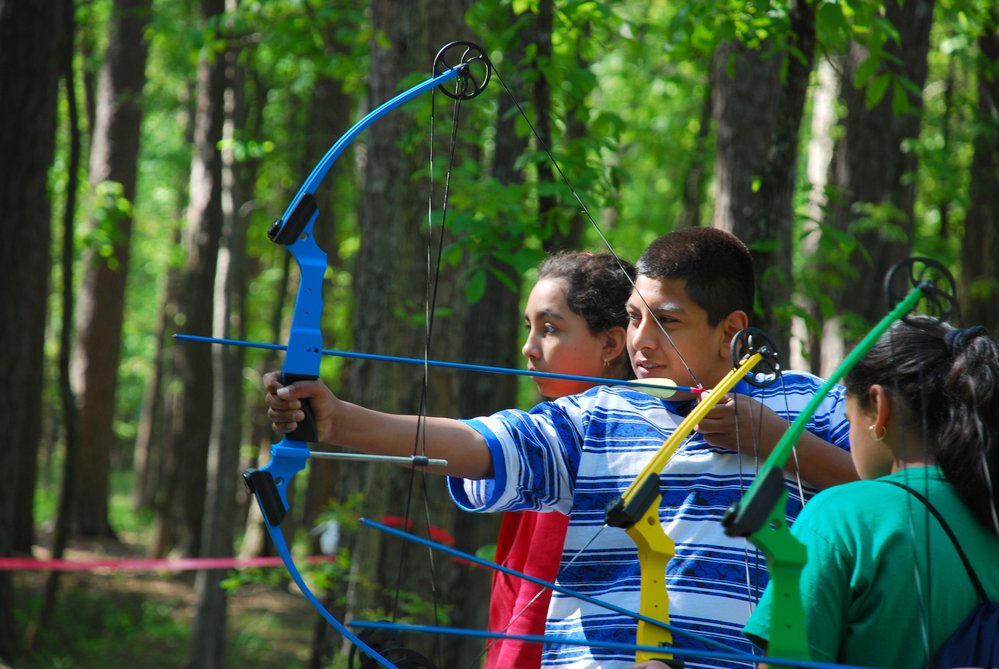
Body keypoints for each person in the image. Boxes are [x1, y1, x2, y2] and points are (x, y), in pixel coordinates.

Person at [264, 227, 857, 669]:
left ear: (732, 330)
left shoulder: (807, 403)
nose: (640, 342)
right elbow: (479, 443)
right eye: (632, 318)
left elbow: (889, 494)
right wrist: (338, 421)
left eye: (666, 322)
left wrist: (779, 440)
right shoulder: (596, 414)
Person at [741, 318, 999, 668]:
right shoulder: (988, 510)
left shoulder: (842, 517)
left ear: (879, 408)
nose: (850, 434)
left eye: (848, 419)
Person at [486, 251, 635, 669]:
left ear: (610, 343)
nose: (528, 348)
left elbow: (532, 618)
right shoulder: (549, 437)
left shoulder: (588, 448)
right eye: (528, 327)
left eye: (549, 329)